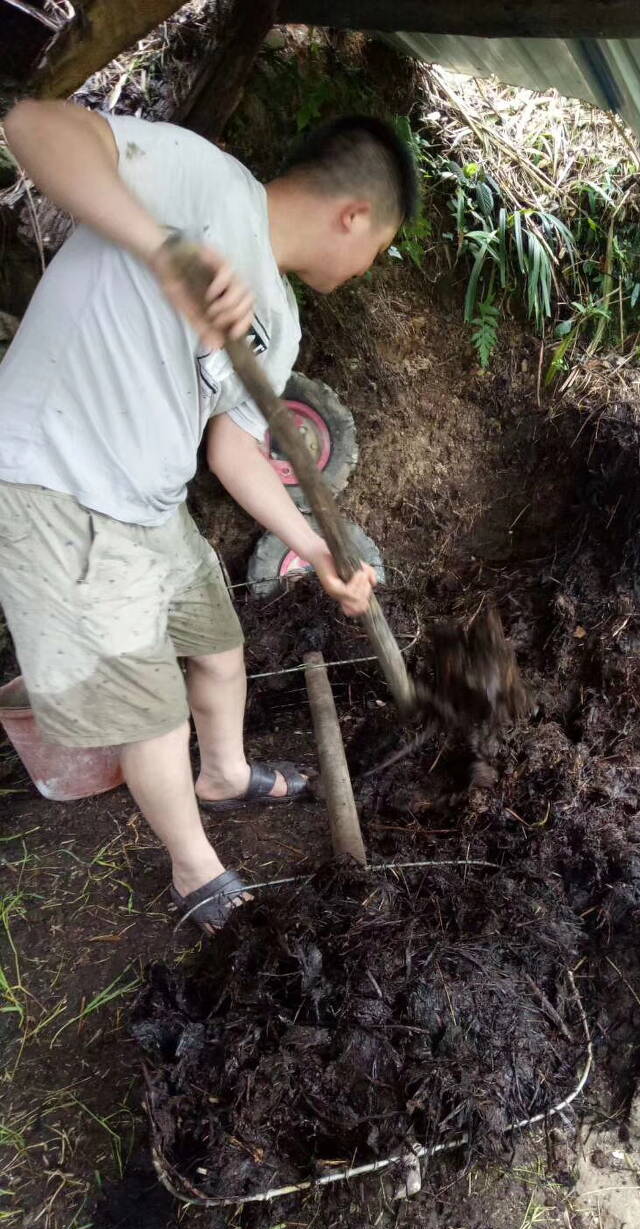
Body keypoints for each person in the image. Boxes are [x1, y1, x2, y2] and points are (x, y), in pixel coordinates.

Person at [0, 101, 418, 931]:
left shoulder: (284, 325)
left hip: (150, 501)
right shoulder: (202, 181)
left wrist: (313, 547)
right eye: (380, 248)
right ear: (354, 215)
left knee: (220, 649)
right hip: (58, 482)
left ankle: (222, 774)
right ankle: (196, 872)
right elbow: (30, 126)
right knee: (150, 712)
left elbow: (232, 454)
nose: (370, 264)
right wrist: (163, 252)